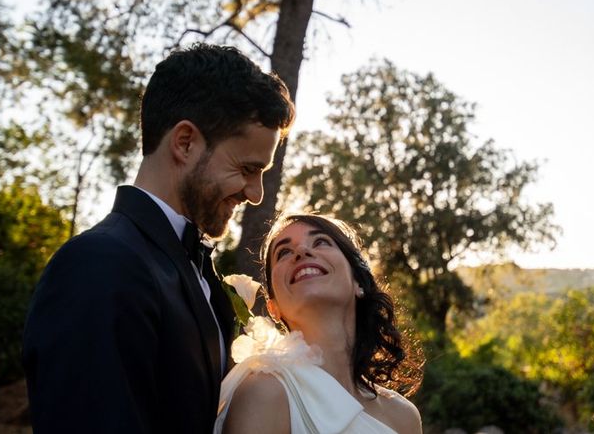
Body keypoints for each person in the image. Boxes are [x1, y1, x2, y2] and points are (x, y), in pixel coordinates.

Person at [22, 43, 295, 433]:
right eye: (248, 168)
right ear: (185, 142)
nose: (256, 194)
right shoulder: (98, 266)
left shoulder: (194, 269)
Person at [215, 214, 422, 434]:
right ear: (273, 307)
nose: (301, 252)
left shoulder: (404, 416)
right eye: (284, 252)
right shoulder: (265, 393)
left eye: (321, 242)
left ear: (359, 282)